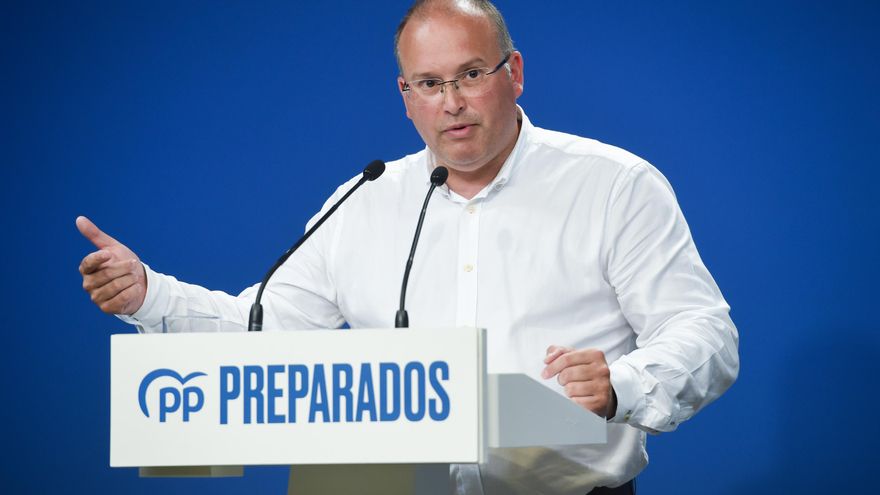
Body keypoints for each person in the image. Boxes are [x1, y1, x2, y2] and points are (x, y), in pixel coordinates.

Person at [77, 1, 739, 493]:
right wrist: (149, 295)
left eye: (470, 74)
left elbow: (704, 331)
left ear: (514, 73)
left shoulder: (613, 185)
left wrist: (621, 385)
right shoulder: (364, 200)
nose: (452, 102)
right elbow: (264, 331)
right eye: (429, 83)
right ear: (406, 96)